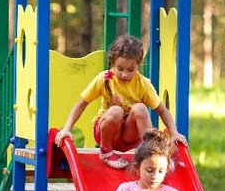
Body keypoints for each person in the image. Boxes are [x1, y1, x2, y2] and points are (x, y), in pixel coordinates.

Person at [54, 35, 187, 169]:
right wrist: (67, 129)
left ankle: (150, 153)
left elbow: (162, 111)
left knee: (140, 108)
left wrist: (174, 133)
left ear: (138, 65)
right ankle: (106, 152)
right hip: (107, 133)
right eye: (120, 68)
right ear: (113, 63)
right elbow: (81, 104)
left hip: (129, 137)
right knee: (116, 111)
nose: (125, 74)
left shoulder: (143, 84)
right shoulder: (104, 79)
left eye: (131, 70)